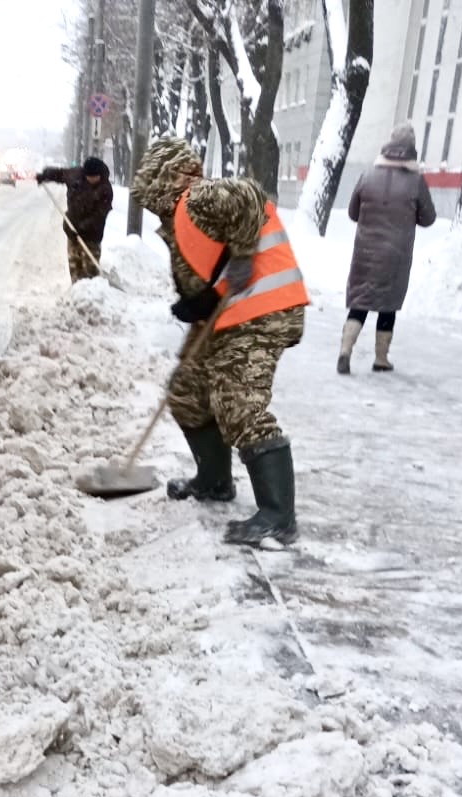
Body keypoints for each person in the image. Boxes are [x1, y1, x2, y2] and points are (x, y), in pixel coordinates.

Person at [131, 137, 309, 548]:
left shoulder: (196, 196)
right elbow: (216, 263)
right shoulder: (183, 213)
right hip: (229, 314)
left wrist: (245, 252)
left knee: (237, 400)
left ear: (167, 177)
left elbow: (249, 194)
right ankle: (213, 481)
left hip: (265, 310)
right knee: (188, 390)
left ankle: (278, 517)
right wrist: (203, 300)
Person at [339, 122, 437, 375]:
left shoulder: (367, 175)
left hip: (365, 253)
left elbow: (352, 212)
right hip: (396, 254)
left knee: (360, 301)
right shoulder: (416, 181)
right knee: (387, 304)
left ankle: (345, 350)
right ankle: (381, 358)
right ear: (412, 149)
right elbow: (428, 219)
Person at [36, 157, 114, 283]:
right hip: (72, 231)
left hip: (92, 237)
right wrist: (45, 175)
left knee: (90, 272)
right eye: (89, 176)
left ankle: (92, 295)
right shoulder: (75, 176)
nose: (92, 179)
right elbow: (60, 174)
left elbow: (100, 214)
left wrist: (82, 227)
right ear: (85, 173)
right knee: (74, 267)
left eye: (94, 177)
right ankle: (77, 292)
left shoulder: (105, 189)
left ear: (100, 175)